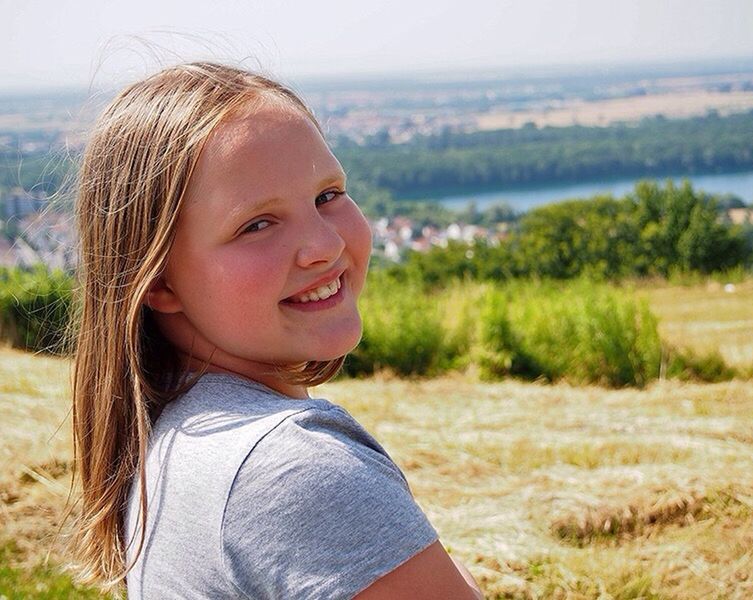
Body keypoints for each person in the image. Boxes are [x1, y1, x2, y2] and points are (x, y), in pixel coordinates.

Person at [67, 61, 483, 599]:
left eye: (327, 196)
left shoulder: (177, 441)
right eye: (257, 225)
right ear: (158, 282)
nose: (326, 246)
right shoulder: (295, 470)